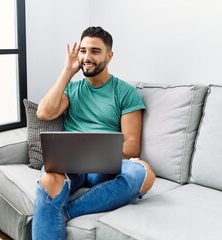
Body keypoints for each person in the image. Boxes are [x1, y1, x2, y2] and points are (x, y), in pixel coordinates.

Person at [32, 26, 156, 240]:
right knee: (48, 179)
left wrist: (96, 153)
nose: (87, 57)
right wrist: (67, 72)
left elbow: (132, 146)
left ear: (109, 55)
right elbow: (43, 113)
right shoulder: (71, 89)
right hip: (71, 165)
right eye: (83, 51)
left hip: (104, 168)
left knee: (143, 172)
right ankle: (59, 209)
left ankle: (65, 211)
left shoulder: (126, 93)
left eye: (95, 51)